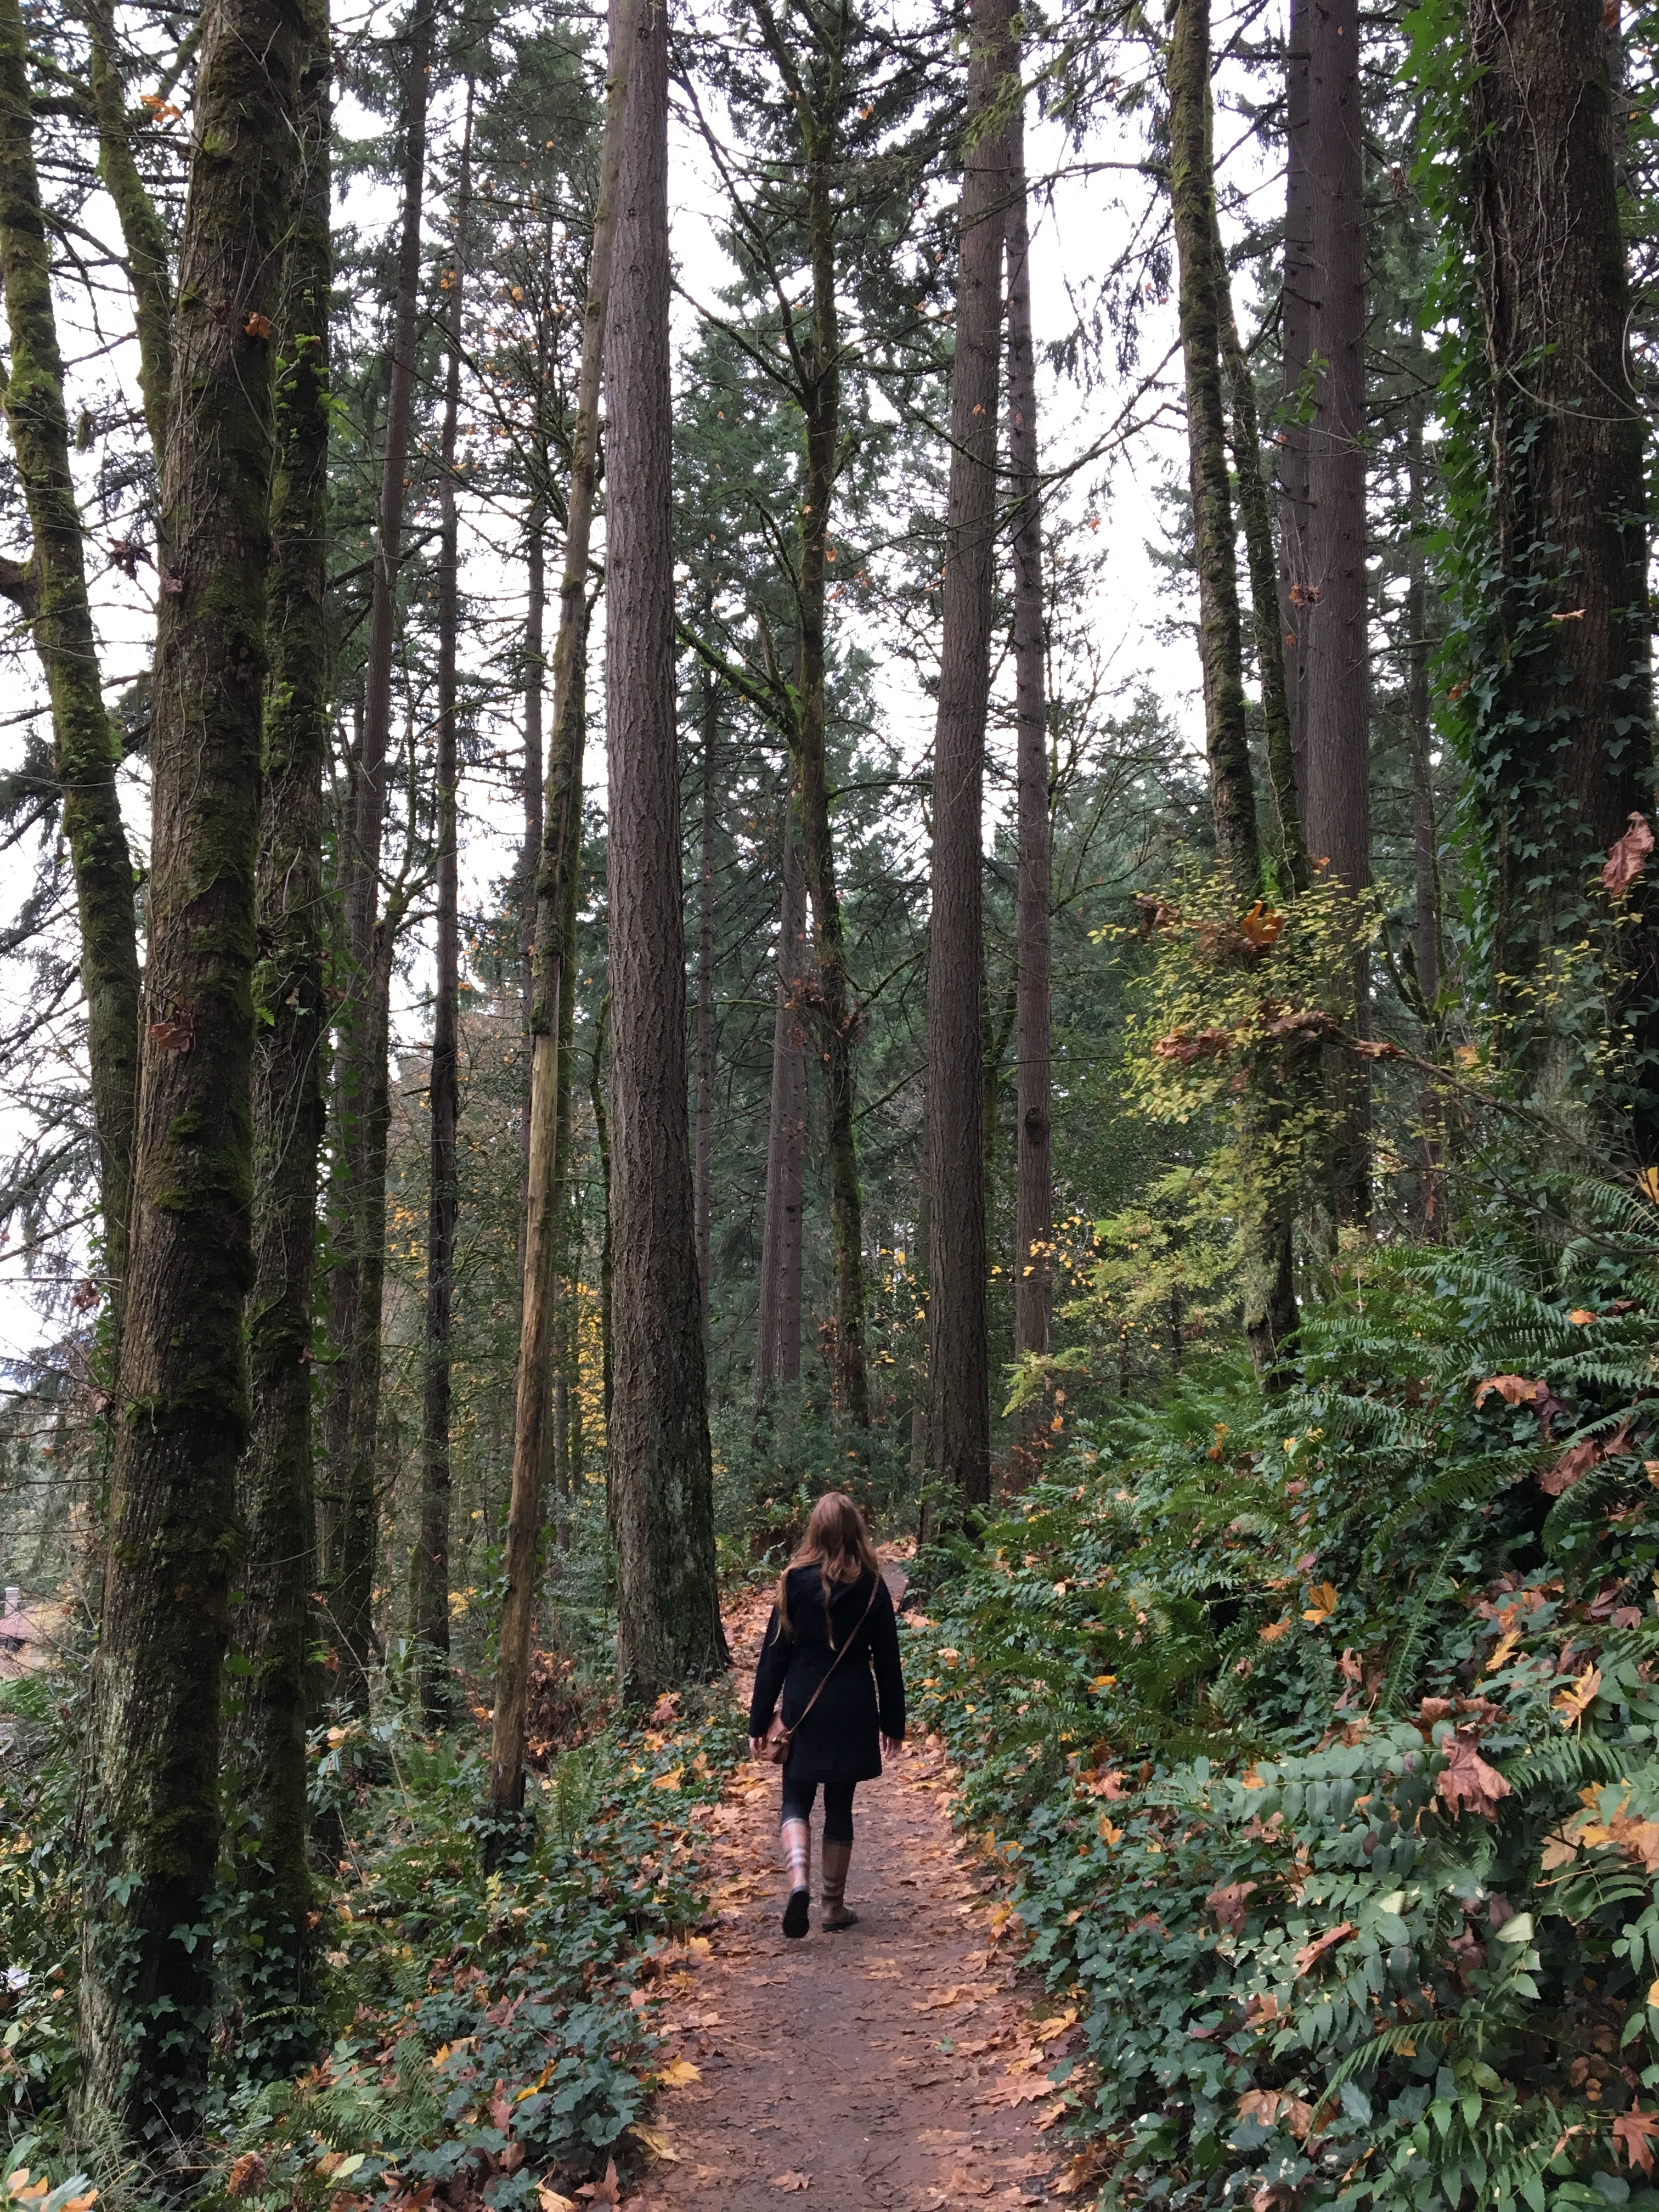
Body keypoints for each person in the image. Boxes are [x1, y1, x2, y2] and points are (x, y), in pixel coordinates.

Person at [748, 1491, 905, 1939]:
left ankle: (799, 1883)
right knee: (840, 1803)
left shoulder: (793, 1581)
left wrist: (759, 1721)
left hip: (804, 1704)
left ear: (815, 1531)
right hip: (853, 1705)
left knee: (795, 1798)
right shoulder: (872, 1586)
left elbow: (774, 1657)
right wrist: (893, 1722)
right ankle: (833, 1907)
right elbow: (888, 1661)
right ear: (856, 1531)